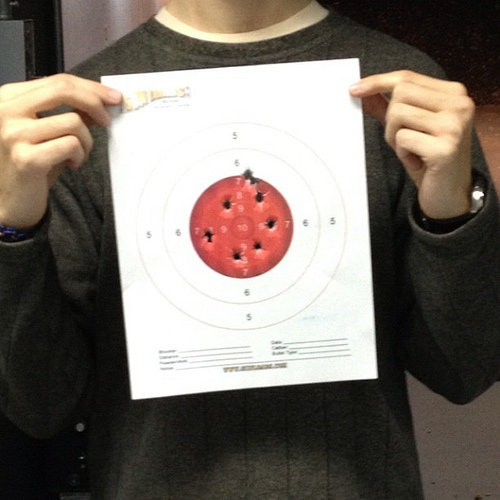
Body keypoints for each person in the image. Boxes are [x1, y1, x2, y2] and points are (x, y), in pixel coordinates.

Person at [0, 1, 499, 498]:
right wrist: (11, 228)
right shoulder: (80, 115)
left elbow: (463, 371)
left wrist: (452, 214)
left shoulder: (403, 93)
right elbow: (42, 404)